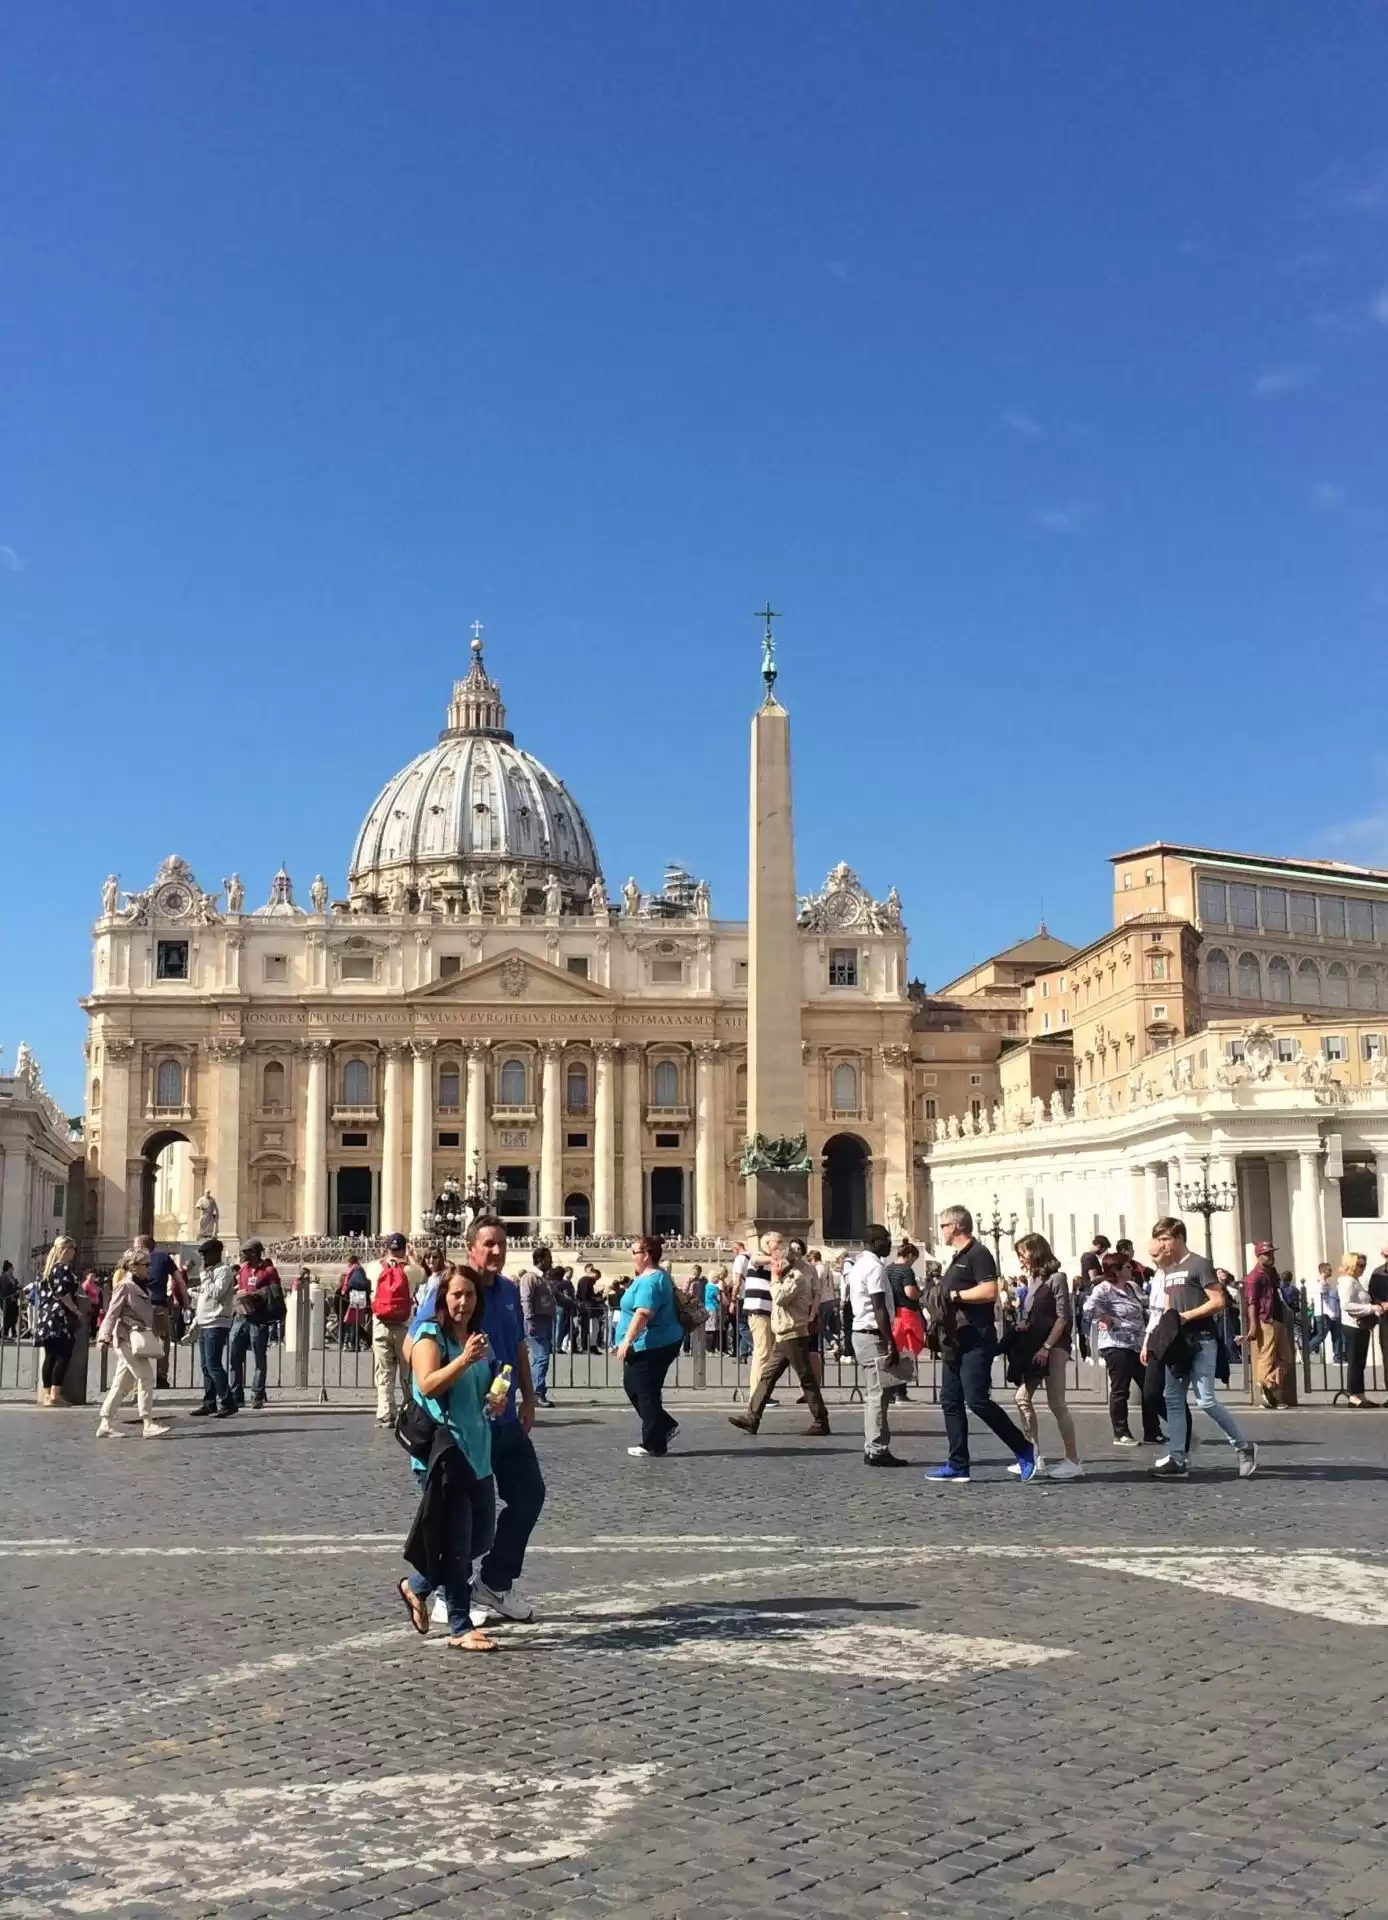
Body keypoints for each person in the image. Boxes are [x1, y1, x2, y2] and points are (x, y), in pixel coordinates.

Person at [407, 1215, 544, 1624]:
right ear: (471, 1248)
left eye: (502, 1243)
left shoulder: (507, 1291)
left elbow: (519, 1344)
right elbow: (416, 1344)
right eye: (489, 1244)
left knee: (529, 1496)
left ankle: (495, 1581)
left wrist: (529, 1398)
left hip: (502, 1418)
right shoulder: (450, 1291)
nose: (497, 1251)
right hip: (464, 1427)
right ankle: (451, 1596)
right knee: (461, 1518)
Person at [397, 1265, 498, 1652]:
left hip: (477, 1450)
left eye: (470, 1295)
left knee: (479, 1538)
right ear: (442, 1298)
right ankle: (459, 1625)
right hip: (444, 1453)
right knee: (457, 1542)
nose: (463, 1302)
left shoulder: (474, 1338)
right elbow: (427, 1384)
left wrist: (495, 1398)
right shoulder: (430, 1336)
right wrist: (464, 1361)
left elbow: (477, 1391)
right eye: (456, 1294)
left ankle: (417, 1585)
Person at [923, 1206, 1038, 1485]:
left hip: (976, 1337)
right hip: (954, 1339)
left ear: (955, 1226)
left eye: (942, 1226)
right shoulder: (957, 1258)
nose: (941, 1231)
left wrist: (955, 1294)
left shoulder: (979, 1254)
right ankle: (958, 1464)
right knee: (950, 1401)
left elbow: (989, 1291)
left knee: (976, 1399)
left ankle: (1023, 1448)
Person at [1144, 1217, 1256, 1479]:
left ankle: (1243, 1446)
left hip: (1202, 1339)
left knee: (1206, 1399)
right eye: (1159, 1239)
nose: (1162, 1244)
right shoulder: (1169, 1270)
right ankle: (1178, 1458)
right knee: (1172, 1398)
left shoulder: (1200, 1264)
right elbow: (1170, 1307)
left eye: (1166, 1239)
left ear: (1180, 1238)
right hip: (1177, 1342)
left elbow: (1218, 1302)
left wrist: (1187, 1316)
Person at [728, 1233, 830, 1439]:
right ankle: (752, 1417)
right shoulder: (792, 1274)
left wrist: (774, 1279)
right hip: (784, 1333)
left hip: (793, 1333)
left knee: (806, 1379)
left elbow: (781, 1298)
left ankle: (821, 1421)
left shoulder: (798, 1277)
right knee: (768, 1376)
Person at [1009, 1232, 1083, 1479]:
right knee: (1022, 1397)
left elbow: (1063, 1316)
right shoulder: (1033, 1281)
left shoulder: (1057, 1278)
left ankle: (1073, 1460)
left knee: (1056, 1403)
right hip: (1034, 1348)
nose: (1021, 1259)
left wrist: (1048, 1347)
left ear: (1036, 1251)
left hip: (1054, 1347)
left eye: (1023, 1253)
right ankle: (1034, 1455)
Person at [1084, 1249, 1164, 1445]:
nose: (1132, 1269)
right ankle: (1121, 1433)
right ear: (1116, 1270)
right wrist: (1104, 1317)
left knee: (1149, 1388)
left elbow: (1146, 1305)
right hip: (1116, 1344)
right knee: (1121, 1389)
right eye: (1128, 1266)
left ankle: (1152, 1432)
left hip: (1138, 1344)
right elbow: (1087, 1309)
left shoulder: (1131, 1287)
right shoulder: (1103, 1288)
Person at [615, 1234, 684, 1458]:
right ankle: (663, 1425)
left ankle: (654, 1444)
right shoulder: (654, 1275)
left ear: (646, 1255)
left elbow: (643, 1313)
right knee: (634, 1387)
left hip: (653, 1344)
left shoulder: (650, 1280)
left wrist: (627, 1340)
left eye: (634, 1252)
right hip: (654, 1343)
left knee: (646, 1392)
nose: (632, 1255)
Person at [845, 1224, 907, 1467]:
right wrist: (890, 1341)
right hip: (873, 1334)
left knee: (877, 1392)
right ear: (874, 1242)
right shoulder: (874, 1268)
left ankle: (874, 1445)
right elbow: (878, 1306)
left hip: (861, 1333)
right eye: (886, 1239)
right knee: (878, 1394)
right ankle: (876, 1448)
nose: (890, 1243)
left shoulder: (858, 1265)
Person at [95, 1248, 170, 1439]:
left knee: (121, 1384)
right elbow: (112, 1313)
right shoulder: (125, 1286)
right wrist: (103, 1337)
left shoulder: (142, 1285)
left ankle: (105, 1422)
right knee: (146, 1377)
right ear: (133, 1266)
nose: (150, 1269)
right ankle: (148, 1422)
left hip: (137, 1337)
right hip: (126, 1339)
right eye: (146, 1265)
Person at [369, 1232, 417, 1426]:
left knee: (383, 1371)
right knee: (407, 1372)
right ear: (405, 1249)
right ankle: (410, 1412)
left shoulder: (374, 1268)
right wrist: (412, 1256)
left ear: (386, 1248)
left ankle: (386, 1413)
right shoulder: (412, 1270)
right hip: (405, 1327)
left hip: (380, 1325)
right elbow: (424, 1274)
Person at [228, 1239, 282, 1410]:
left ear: (254, 1252)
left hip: (259, 1319)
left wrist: (257, 1295)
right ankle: (236, 1395)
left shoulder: (269, 1271)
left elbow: (276, 1294)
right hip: (241, 1317)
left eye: (245, 1251)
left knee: (259, 1358)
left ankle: (257, 1394)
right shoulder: (243, 1269)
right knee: (234, 1356)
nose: (242, 1254)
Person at [1244, 1241, 1297, 1410]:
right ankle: (1267, 1390)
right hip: (1265, 1319)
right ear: (1259, 1256)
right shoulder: (1254, 1277)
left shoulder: (1272, 1272)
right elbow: (1251, 1302)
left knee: (1287, 1356)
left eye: (1271, 1253)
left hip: (1277, 1318)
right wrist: (1253, 1325)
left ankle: (1267, 1382)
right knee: (1266, 1354)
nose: (1271, 1256)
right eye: (1267, 1254)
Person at [190, 1237, 238, 1418]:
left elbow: (217, 1293)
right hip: (205, 1322)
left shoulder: (224, 1271)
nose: (203, 1260)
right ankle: (209, 1403)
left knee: (214, 1365)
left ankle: (228, 1402)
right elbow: (206, 1296)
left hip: (216, 1322)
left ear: (216, 1253)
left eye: (206, 1255)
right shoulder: (210, 1272)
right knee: (205, 1366)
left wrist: (204, 1277)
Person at [34, 1236, 82, 1407]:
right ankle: (55, 1394)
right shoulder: (62, 1268)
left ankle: (47, 1394)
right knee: (63, 1354)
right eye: (73, 1249)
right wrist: (76, 1310)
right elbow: (63, 1293)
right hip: (59, 1316)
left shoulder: (47, 1269)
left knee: (50, 1356)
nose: (74, 1253)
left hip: (46, 1316)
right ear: (66, 1250)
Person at [738, 1233, 778, 1405]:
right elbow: (756, 1260)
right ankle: (757, 1394)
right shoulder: (757, 1256)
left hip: (768, 1311)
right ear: (768, 1243)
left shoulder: (770, 1263)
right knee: (762, 1353)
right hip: (758, 1310)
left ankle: (762, 1393)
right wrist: (773, 1259)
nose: (780, 1245)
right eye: (778, 1242)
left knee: (767, 1354)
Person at [883, 1241, 924, 1402]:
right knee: (907, 1353)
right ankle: (901, 1392)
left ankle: (892, 1391)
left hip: (893, 1315)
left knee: (895, 1352)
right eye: (913, 1259)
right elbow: (910, 1292)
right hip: (906, 1314)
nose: (913, 1262)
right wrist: (919, 1292)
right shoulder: (906, 1271)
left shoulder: (888, 1269)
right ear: (909, 1255)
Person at [518, 1246, 558, 1409]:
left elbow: (558, 1296)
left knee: (540, 1358)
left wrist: (574, 1304)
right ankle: (537, 1393)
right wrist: (529, 1320)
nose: (552, 1261)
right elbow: (526, 1299)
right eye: (549, 1257)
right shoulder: (530, 1278)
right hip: (536, 1322)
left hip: (545, 1321)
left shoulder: (544, 1279)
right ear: (540, 1260)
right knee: (542, 1357)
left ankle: (535, 1390)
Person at [1341, 1251, 1379, 1407]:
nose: (1362, 1268)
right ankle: (1353, 1396)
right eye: (1359, 1265)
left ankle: (1360, 1394)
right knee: (1355, 1362)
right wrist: (1370, 1308)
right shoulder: (1347, 1282)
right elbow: (1346, 1305)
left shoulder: (1356, 1281)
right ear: (1350, 1264)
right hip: (1353, 1326)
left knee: (1360, 1362)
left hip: (1361, 1326)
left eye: (1364, 1265)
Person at [138, 1233, 175, 1389]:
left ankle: (139, 1377)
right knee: (163, 1341)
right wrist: (184, 1301)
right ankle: (161, 1377)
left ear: (142, 1246)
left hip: (140, 1306)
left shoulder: (137, 1259)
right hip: (160, 1305)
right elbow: (178, 1279)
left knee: (140, 1340)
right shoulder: (164, 1257)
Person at [1306, 1261, 1345, 1366]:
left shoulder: (1327, 1283)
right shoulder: (1321, 1283)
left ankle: (1338, 1358)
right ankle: (1306, 1350)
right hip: (1324, 1313)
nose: (1331, 1272)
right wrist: (1323, 1280)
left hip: (1331, 1314)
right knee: (1321, 1335)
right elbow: (1322, 1293)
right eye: (1329, 1270)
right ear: (1323, 1271)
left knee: (1337, 1334)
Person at [340, 1254, 370, 1352]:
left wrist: (344, 1291)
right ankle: (356, 1344)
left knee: (352, 1321)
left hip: (356, 1296)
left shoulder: (354, 1269)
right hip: (361, 1296)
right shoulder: (360, 1269)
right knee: (356, 1321)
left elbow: (348, 1282)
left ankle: (353, 1344)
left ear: (350, 1261)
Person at [1368, 1247, 1388, 1386]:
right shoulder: (1377, 1272)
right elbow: (1372, 1292)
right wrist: (1380, 1302)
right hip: (1386, 1318)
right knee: (1387, 1355)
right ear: (1383, 1255)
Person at [573, 1264, 603, 1353]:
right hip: (588, 1307)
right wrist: (596, 1298)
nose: (596, 1281)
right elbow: (586, 1295)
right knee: (591, 1328)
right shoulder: (587, 1280)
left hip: (586, 1306)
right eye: (597, 1278)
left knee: (590, 1328)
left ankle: (588, 1346)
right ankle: (588, 1346)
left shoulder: (585, 1280)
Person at [551, 1263, 576, 1354]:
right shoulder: (565, 1283)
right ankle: (557, 1346)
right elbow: (567, 1296)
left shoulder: (551, 1283)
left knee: (553, 1327)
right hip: (562, 1307)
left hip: (552, 1306)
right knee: (560, 1327)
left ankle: (553, 1345)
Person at [0, 1259, 19, 1340]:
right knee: (7, 1317)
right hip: (7, 1300)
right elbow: (6, 1289)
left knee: (11, 1317)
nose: (13, 1270)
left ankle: (8, 1332)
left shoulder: (11, 1278)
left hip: (12, 1301)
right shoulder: (4, 1278)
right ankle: (5, 1333)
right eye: (12, 1268)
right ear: (9, 1268)